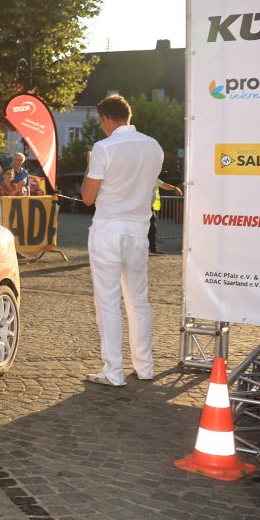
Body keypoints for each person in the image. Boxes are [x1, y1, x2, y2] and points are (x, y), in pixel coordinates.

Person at [81, 95, 164, 387]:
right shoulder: (154, 146)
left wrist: (91, 162)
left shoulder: (104, 148)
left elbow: (88, 197)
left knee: (108, 301)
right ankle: (145, 367)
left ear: (106, 119)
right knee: (138, 301)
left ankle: (113, 371)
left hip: (108, 230)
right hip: (139, 231)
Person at [148, 178, 182, 255]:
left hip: (148, 208)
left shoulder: (153, 177)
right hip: (142, 208)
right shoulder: (148, 176)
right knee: (149, 228)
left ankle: (152, 249)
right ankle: (149, 249)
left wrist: (175, 188)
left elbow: (164, 185)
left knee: (152, 228)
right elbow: (164, 185)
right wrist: (175, 188)